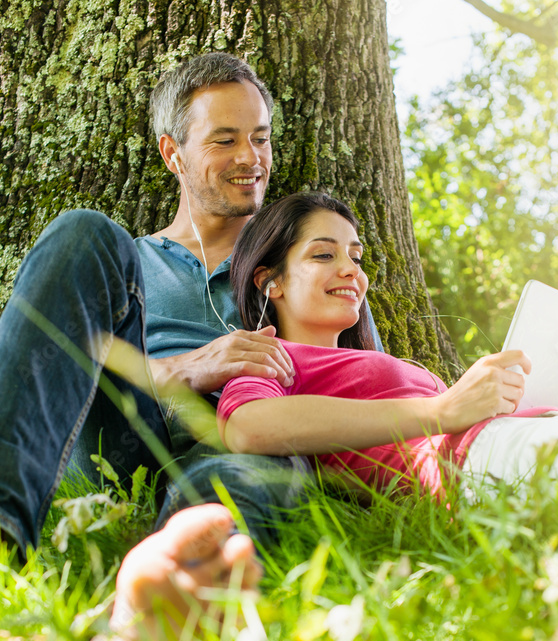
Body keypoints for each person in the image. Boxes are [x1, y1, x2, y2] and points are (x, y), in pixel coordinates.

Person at [0, 52, 384, 563]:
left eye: (261, 138)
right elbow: (59, 376)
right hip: (121, 444)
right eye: (225, 140)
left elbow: (374, 396)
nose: (250, 158)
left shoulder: (313, 267)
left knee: (241, 471)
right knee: (81, 232)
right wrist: (186, 369)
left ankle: (182, 580)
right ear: (173, 153)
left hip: (244, 445)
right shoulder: (122, 263)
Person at [217, 191, 558, 506]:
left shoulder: (378, 363)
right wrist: (441, 410)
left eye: (355, 257)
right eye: (323, 255)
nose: (351, 270)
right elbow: (245, 428)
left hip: (528, 440)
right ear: (270, 282)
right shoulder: (269, 359)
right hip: (476, 467)